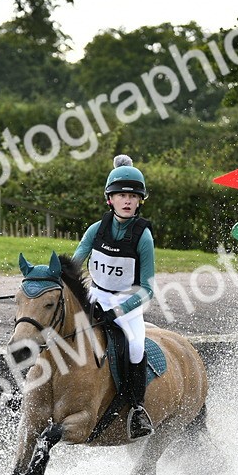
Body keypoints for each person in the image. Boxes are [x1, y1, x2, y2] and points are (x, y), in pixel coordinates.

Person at [72, 154, 156, 439]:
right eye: (121, 195)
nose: (127, 201)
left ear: (139, 200)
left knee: (134, 345)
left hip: (127, 303)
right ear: (110, 199)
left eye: (133, 196)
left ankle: (136, 409)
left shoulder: (143, 237)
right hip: (96, 296)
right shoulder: (96, 230)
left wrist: (118, 311)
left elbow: (147, 289)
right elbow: (74, 267)